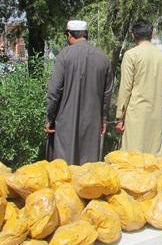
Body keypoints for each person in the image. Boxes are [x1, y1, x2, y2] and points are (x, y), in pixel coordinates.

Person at [45, 20, 113, 164]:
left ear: (69, 35)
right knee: (88, 169)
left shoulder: (64, 55)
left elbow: (54, 91)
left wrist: (50, 118)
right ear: (86, 35)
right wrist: (104, 119)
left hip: (65, 122)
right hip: (92, 122)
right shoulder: (104, 58)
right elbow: (107, 94)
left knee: (65, 169)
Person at [115, 19, 162, 156]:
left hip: (136, 114)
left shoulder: (131, 55)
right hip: (156, 115)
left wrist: (120, 117)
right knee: (153, 157)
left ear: (133, 35)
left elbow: (125, 88)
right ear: (151, 35)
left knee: (133, 157)